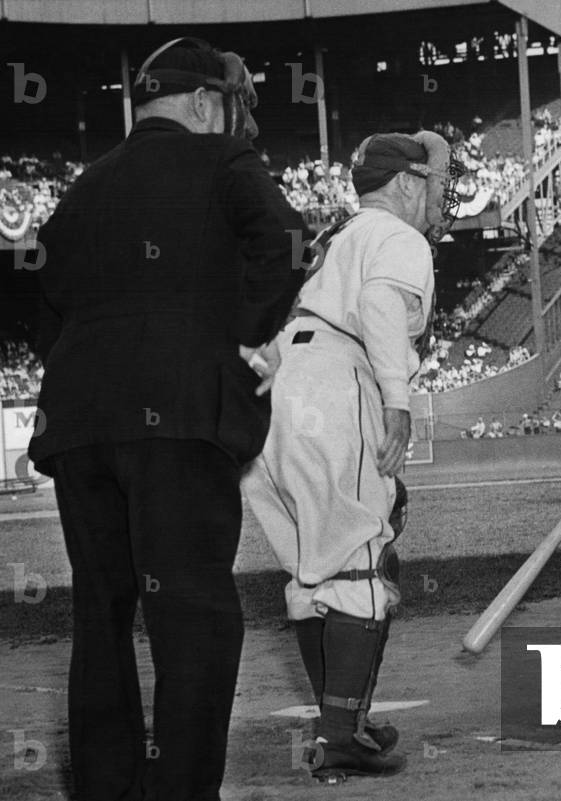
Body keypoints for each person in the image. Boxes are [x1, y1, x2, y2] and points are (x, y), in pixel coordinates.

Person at [28, 38, 304, 801]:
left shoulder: (86, 183)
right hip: (178, 420)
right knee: (194, 617)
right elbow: (286, 242)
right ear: (203, 102)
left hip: (80, 425)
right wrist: (241, 337)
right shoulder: (222, 163)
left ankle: (107, 789)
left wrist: (88, 366)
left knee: (102, 612)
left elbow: (34, 290)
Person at [242, 131, 461, 780]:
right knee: (364, 563)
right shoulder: (398, 237)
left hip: (277, 395)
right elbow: (378, 304)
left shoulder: (333, 238)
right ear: (403, 184)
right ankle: (340, 734)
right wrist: (395, 398)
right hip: (337, 385)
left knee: (314, 574)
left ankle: (344, 722)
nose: (440, 194)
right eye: (433, 180)